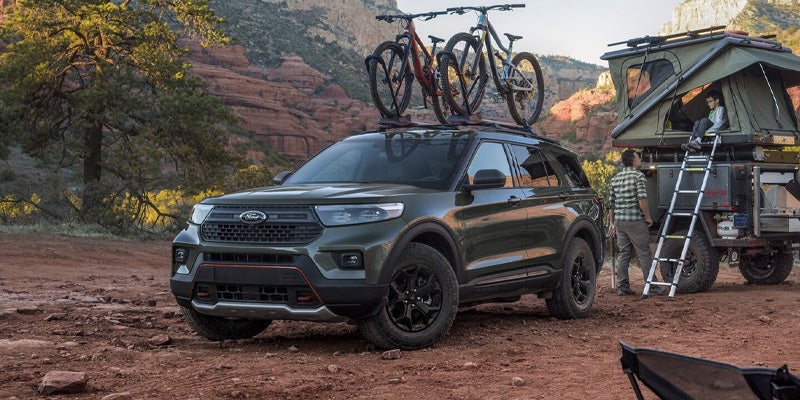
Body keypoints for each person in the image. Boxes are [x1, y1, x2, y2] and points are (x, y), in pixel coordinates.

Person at [608, 149, 666, 296]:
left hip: (620, 222)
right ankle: (652, 286)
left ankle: (623, 286)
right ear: (634, 161)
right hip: (634, 221)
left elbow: (611, 205)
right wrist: (647, 217)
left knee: (624, 253)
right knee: (644, 253)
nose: (641, 160)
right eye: (639, 158)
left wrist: (612, 223)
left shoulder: (615, 179)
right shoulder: (638, 176)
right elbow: (642, 198)